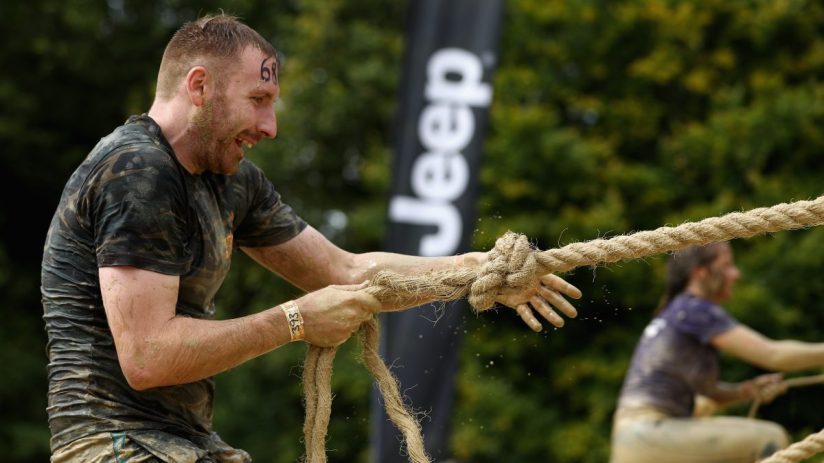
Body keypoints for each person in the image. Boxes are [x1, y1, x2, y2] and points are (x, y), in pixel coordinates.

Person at [40, 14, 582, 462]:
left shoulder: (233, 181)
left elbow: (347, 272)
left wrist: (477, 270)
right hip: (112, 445)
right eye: (259, 98)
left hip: (183, 445)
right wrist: (295, 321)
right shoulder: (136, 169)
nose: (271, 125)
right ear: (199, 86)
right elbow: (148, 357)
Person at [610, 241, 824, 463]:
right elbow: (773, 356)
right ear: (701, 273)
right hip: (649, 432)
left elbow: (709, 394)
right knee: (769, 438)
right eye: (727, 265)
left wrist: (746, 391)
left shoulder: (677, 311)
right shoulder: (695, 310)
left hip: (640, 435)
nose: (736, 274)